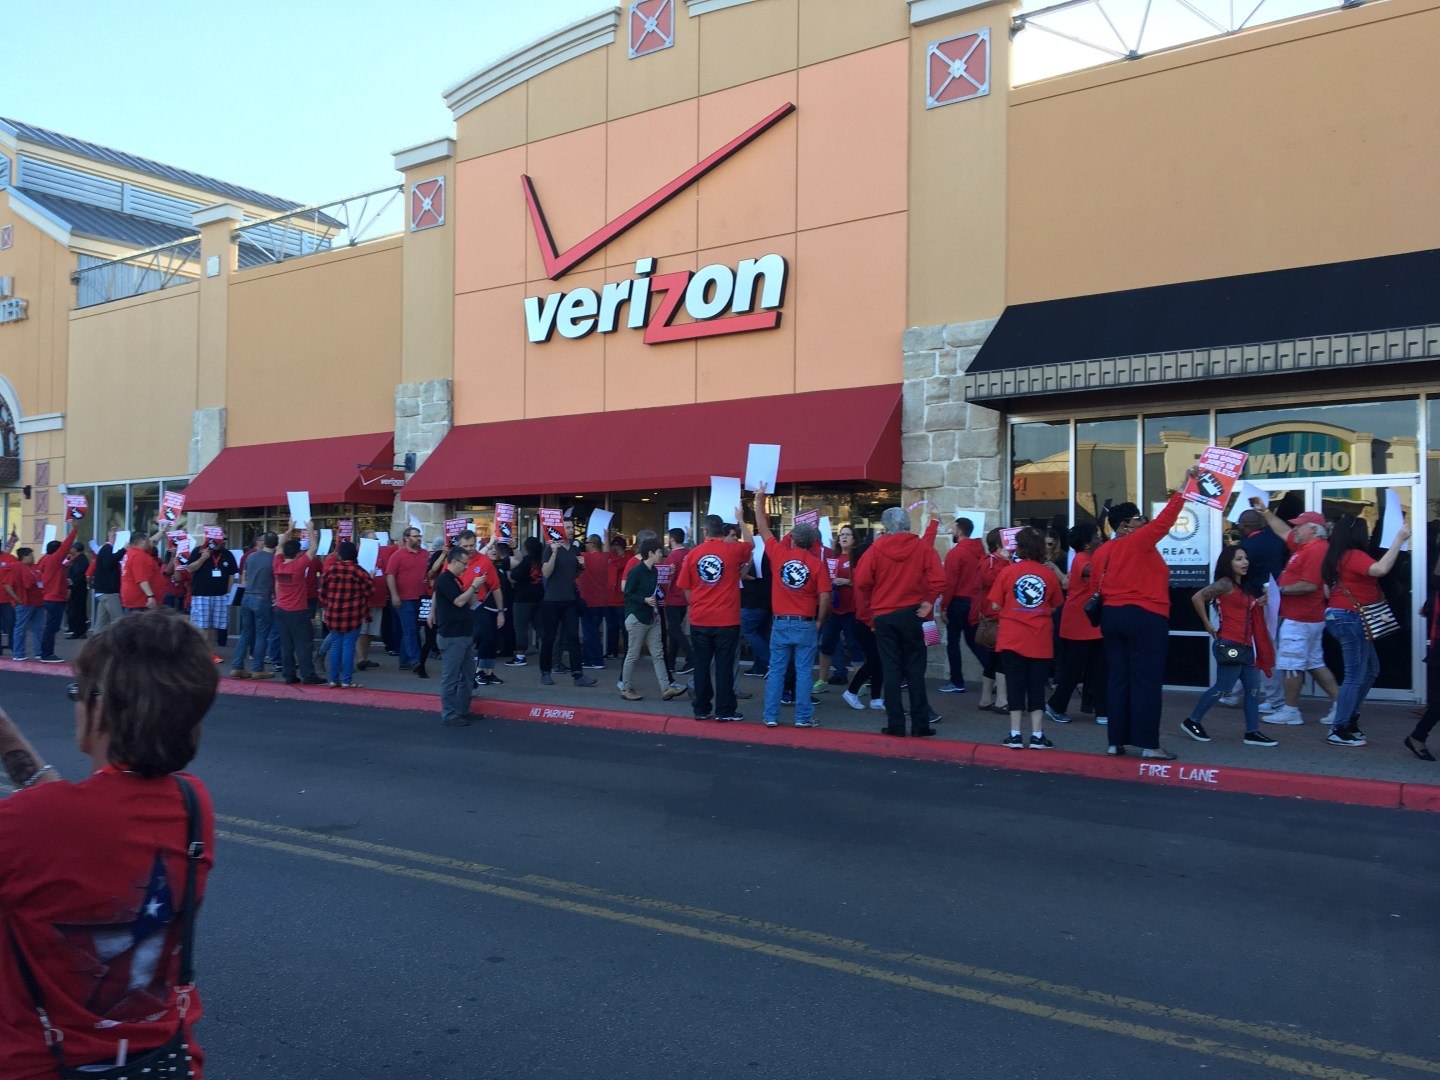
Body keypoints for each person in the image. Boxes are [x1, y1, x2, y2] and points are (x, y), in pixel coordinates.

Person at [0, 610, 216, 1079]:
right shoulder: (192, 802)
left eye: (76, 693)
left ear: (100, 708)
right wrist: (8, 739)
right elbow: (68, 815)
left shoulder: (28, 824)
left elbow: (55, 817)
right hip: (164, 1063)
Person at [1089, 465, 1200, 760]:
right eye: (1139, 518)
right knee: (1146, 681)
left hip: (1112, 617)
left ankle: (1115, 741)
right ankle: (1149, 744)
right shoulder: (1139, 541)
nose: (1144, 522)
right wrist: (1185, 486)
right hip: (1144, 616)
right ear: (1126, 524)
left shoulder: (1101, 552)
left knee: (1119, 680)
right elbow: (1166, 520)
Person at [853, 505, 945, 738]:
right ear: (907, 524)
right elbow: (938, 578)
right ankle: (920, 724)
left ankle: (895, 724)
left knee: (891, 670)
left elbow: (861, 582)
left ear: (886, 526)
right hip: (913, 614)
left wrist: (869, 616)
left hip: (884, 615)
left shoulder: (875, 549)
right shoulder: (921, 547)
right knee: (915, 670)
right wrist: (929, 602)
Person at [1320, 514, 1410, 746]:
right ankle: (1339, 728)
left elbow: (1327, 592)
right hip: (1351, 618)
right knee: (1356, 674)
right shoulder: (1353, 555)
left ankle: (1348, 720)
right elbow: (1380, 570)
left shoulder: (1334, 557)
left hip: (1342, 617)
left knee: (1370, 670)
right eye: (1366, 530)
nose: (1368, 534)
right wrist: (1399, 540)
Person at [1182, 545, 1280, 747]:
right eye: (1239, 559)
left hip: (1245, 646)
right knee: (1223, 688)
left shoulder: (1241, 587)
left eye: (1245, 558)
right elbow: (1197, 597)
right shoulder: (1225, 583)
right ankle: (1192, 721)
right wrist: (1207, 623)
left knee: (1253, 690)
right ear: (1229, 563)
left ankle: (1252, 732)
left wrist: (1260, 602)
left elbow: (1245, 610)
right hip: (1230, 644)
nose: (1245, 562)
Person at [752, 490, 831, 729]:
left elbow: (763, 529)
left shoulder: (779, 554)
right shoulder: (817, 564)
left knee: (776, 670)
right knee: (805, 672)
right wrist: (819, 620)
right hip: (806, 622)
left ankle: (771, 715)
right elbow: (825, 595)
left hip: (781, 622)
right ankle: (802, 717)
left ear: (793, 540)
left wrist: (759, 500)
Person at [987, 526, 1063, 748]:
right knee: (1036, 687)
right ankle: (1038, 735)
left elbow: (994, 603)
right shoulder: (1048, 574)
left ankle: (1015, 733)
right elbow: (1055, 606)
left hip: (1012, 638)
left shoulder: (1007, 572)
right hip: (1039, 639)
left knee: (1015, 685)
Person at [1262, 509, 1340, 727]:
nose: (1294, 529)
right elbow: (1283, 530)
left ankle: (1291, 710)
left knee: (1291, 664)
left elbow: (1309, 585)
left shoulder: (1316, 550)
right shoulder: (1306, 546)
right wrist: (1265, 511)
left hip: (1301, 618)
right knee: (1314, 662)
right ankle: (1341, 704)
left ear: (1313, 529)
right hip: (1306, 617)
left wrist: (1279, 590)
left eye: (1299, 525)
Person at [675, 509, 753, 722]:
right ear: (724, 531)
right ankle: (724, 709)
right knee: (724, 666)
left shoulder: (693, 554)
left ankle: (701, 708)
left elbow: (684, 586)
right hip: (727, 620)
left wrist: (697, 603)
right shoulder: (732, 550)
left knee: (701, 666)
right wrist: (741, 520)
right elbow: (751, 544)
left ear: (704, 531)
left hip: (700, 618)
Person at [1047, 524, 1108, 726]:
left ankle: (1102, 710)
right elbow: (1094, 572)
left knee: (1099, 668)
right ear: (1086, 544)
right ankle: (1056, 706)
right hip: (1078, 623)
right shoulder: (1082, 559)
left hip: (1091, 623)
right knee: (1073, 670)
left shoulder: (1088, 557)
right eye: (1096, 538)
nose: (1100, 540)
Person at [1232, 508, 1288, 713]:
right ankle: (1233, 691)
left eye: (1240, 524)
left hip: (1259, 602)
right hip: (1278, 599)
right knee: (1254, 648)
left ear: (1246, 526)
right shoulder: (1277, 540)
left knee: (1263, 649)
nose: (1238, 527)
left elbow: (1238, 576)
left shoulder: (1245, 547)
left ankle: (1275, 699)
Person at [619, 538, 688, 702]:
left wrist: (669, 575)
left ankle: (666, 688)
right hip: (637, 617)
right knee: (633, 654)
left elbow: (662, 590)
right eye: (659, 552)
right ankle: (626, 688)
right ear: (650, 553)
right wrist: (644, 600)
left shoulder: (655, 571)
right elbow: (627, 594)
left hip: (653, 617)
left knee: (658, 653)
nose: (661, 555)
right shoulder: (636, 571)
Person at [539, 526, 594, 687]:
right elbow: (546, 573)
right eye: (567, 527)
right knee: (550, 637)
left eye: (572, 528)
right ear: (560, 530)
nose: (570, 530)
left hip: (569, 599)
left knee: (573, 636)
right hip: (552, 600)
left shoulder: (575, 550)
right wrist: (555, 553)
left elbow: (575, 574)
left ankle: (578, 674)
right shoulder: (550, 548)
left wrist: (582, 566)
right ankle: (545, 672)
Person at [939, 516, 986, 694]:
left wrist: (943, 607)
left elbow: (950, 583)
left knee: (953, 642)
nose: (951, 531)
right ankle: (996, 674)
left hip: (958, 602)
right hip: (974, 602)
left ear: (959, 532)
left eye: (953, 528)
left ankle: (957, 681)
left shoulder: (956, 553)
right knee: (974, 642)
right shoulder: (980, 552)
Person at [435, 547, 481, 726]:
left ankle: (463, 710)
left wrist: (475, 589)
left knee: (468, 675)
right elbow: (459, 601)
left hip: (464, 634)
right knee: (451, 676)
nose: (466, 567)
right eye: (464, 564)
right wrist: (474, 586)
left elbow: (468, 601)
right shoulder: (444, 579)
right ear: (453, 562)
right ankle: (449, 713)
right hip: (452, 636)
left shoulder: (455, 580)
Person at [273, 522, 323, 686]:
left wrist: (288, 529)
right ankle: (308, 674)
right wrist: (310, 530)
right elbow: (313, 549)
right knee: (303, 644)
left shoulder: (278, 564)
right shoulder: (298, 566)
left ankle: (289, 675)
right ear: (297, 554)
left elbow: (279, 546)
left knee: (286, 644)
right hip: (298, 610)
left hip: (281, 608)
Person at [318, 540, 371, 688]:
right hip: (353, 615)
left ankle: (334, 679)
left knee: (335, 646)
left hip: (334, 614)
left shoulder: (331, 569)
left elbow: (322, 592)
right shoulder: (359, 571)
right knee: (348, 647)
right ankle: (347, 679)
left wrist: (326, 607)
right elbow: (369, 591)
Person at [814, 524, 859, 693]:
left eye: (848, 534)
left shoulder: (857, 558)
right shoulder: (833, 558)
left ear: (854, 539)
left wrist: (846, 582)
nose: (844, 537)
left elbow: (863, 582)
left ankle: (858, 684)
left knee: (854, 646)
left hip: (851, 609)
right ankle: (822, 680)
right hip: (833, 610)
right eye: (842, 535)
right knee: (826, 645)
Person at [972, 529, 1011, 711]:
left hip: (998, 615)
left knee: (994, 659)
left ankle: (986, 698)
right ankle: (1001, 700)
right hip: (995, 615)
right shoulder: (991, 561)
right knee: (1001, 658)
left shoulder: (999, 561)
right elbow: (991, 581)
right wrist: (1005, 563)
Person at [230, 532, 277, 680]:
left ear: (263, 542)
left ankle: (237, 666)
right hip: (262, 598)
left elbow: (245, 577)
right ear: (275, 544)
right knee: (261, 635)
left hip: (247, 596)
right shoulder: (275, 560)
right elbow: (276, 581)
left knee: (245, 633)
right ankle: (257, 668)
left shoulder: (251, 557)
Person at [186, 536, 238, 662]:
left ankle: (211, 652)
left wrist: (228, 593)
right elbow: (190, 568)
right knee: (201, 626)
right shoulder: (199, 551)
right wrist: (203, 559)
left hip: (220, 595)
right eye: (221, 539)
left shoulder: (227, 554)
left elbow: (231, 574)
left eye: (225, 539)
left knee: (214, 626)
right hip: (201, 594)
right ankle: (199, 653)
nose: (224, 541)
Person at [385, 526, 428, 670]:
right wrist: (394, 595)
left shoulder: (425, 554)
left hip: (421, 598)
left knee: (412, 629)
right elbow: (390, 575)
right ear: (406, 538)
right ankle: (416, 660)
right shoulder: (397, 555)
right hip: (404, 598)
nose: (418, 538)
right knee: (410, 630)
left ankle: (404, 661)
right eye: (415, 536)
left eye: (419, 536)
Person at [36, 523, 78, 663]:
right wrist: (74, 529)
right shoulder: (54, 560)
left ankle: (45, 653)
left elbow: (61, 566)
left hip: (52, 597)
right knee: (51, 627)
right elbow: (65, 547)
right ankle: (47, 654)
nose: (65, 552)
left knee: (51, 627)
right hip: (55, 599)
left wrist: (73, 559)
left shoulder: (47, 561)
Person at [506, 536, 547, 667]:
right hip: (539, 598)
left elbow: (514, 577)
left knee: (521, 628)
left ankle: (520, 656)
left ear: (527, 549)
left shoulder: (527, 561)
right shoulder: (541, 561)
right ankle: (549, 651)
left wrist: (507, 573)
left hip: (523, 599)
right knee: (541, 627)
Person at [577, 534, 613, 670]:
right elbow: (607, 550)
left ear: (591, 544)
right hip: (602, 601)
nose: (585, 544)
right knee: (593, 630)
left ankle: (596, 660)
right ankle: (587, 658)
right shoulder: (605, 558)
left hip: (588, 600)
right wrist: (605, 537)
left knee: (590, 632)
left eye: (587, 542)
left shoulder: (584, 557)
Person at [662, 528, 693, 677]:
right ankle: (671, 662)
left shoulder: (672, 556)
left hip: (673, 597)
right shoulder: (688, 553)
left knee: (674, 630)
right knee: (675, 630)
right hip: (685, 597)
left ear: (672, 540)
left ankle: (691, 656)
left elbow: (667, 579)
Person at [120, 528, 168, 614]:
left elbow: (153, 541)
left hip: (136, 601)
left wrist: (164, 530)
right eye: (147, 539)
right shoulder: (138, 555)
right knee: (141, 626)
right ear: (142, 541)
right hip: (141, 602)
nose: (149, 541)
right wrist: (150, 596)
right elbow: (141, 579)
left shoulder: (132, 552)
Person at [87, 531, 125, 632]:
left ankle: (95, 644)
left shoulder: (105, 549)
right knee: (120, 622)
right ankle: (122, 645)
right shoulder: (107, 549)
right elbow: (109, 562)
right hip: (109, 592)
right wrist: (123, 550)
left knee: (101, 623)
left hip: (104, 591)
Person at [10, 548, 44, 660]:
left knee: (38, 628)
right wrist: (17, 599)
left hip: (37, 601)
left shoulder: (35, 567)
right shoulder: (17, 567)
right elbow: (9, 585)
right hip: (25, 602)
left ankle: (39, 652)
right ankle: (18, 653)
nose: (33, 557)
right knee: (20, 627)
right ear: (24, 557)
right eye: (31, 555)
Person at [64, 541, 90, 640]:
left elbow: (78, 575)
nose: (70, 550)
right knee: (75, 610)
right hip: (75, 588)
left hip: (78, 589)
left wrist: (71, 584)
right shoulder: (75, 559)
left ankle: (79, 631)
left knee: (78, 610)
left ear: (76, 549)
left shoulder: (81, 560)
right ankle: (77, 630)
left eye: (72, 548)